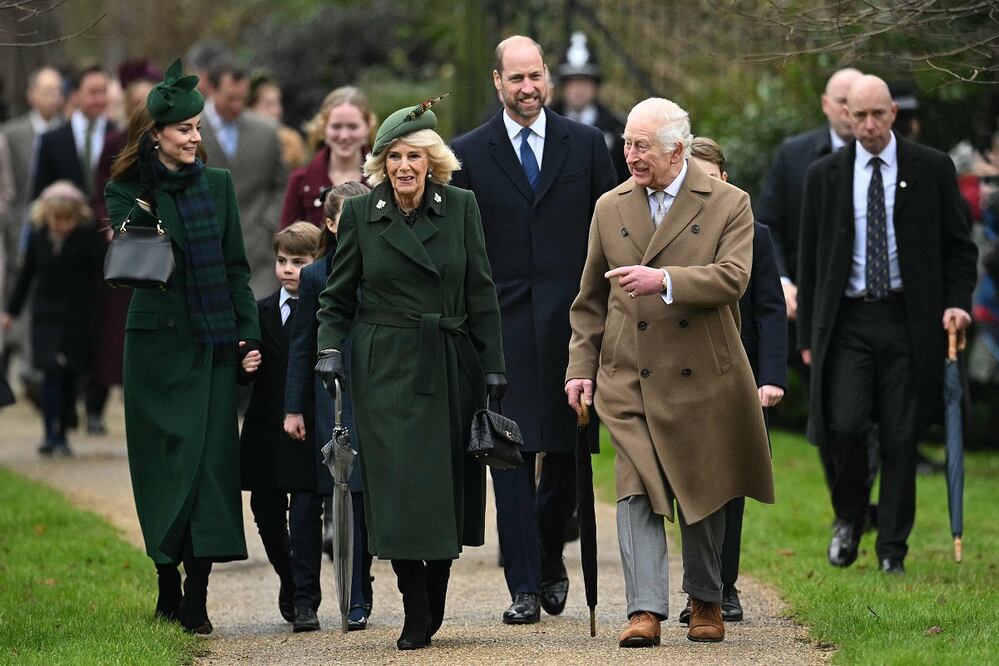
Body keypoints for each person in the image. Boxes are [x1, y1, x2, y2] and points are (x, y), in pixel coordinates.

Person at [565, 97, 775, 646]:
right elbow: (589, 300)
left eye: (642, 147)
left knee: (702, 484)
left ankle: (706, 599)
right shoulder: (610, 206)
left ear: (678, 150)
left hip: (702, 372)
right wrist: (579, 370)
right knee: (635, 487)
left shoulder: (729, 202)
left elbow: (734, 278)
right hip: (629, 373)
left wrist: (665, 282)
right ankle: (645, 609)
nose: (630, 156)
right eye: (627, 144)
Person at [314, 102, 505, 650]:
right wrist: (328, 350)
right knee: (396, 486)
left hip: (448, 359)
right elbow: (337, 295)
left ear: (432, 162)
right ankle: (414, 600)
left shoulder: (462, 207)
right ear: (381, 163)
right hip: (386, 367)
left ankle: (436, 586)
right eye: (393, 156)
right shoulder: (359, 214)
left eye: (413, 156)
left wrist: (494, 366)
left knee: (444, 483)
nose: (403, 166)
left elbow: (481, 290)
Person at [450, 35, 616, 626]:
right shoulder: (467, 153)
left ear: (547, 77)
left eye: (535, 76)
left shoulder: (588, 145)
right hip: (501, 326)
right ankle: (522, 583)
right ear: (497, 82)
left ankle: (549, 556)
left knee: (569, 454)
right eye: (515, 78)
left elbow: (612, 228)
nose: (527, 88)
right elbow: (462, 251)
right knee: (510, 452)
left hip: (574, 325)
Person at [797, 74, 977, 575]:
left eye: (878, 114)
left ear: (894, 113)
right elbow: (811, 261)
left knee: (900, 436)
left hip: (908, 320)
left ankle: (892, 551)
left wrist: (957, 302)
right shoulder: (824, 175)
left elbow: (960, 248)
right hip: (848, 321)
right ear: (845, 117)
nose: (870, 125)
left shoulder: (932, 169)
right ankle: (850, 517)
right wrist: (808, 336)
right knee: (845, 425)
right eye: (859, 116)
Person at [104, 59, 260, 632]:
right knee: (161, 468)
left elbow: (237, 269)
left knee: (210, 468)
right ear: (156, 136)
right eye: (185, 129)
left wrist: (248, 335)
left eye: (198, 127)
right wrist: (149, 190)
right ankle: (166, 577)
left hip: (212, 344)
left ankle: (198, 591)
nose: (197, 137)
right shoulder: (126, 189)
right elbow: (136, 265)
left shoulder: (217, 187)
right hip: (153, 350)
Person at [681, 136, 786, 624]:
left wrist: (771, 378)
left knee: (732, 481)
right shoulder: (673, 233)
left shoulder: (755, 233)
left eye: (709, 177)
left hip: (739, 376)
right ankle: (699, 591)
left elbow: (768, 308)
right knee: (692, 481)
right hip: (685, 375)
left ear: (725, 179)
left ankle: (725, 586)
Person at [284, 181, 372, 631]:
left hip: (377, 387)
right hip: (332, 395)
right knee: (342, 490)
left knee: (366, 494)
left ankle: (363, 585)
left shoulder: (384, 264)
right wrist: (293, 407)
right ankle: (347, 594)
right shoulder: (316, 275)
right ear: (332, 223)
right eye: (348, 216)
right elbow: (301, 344)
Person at [237, 222, 320, 630]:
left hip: (307, 426)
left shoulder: (326, 311)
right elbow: (244, 368)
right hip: (266, 428)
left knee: (305, 513)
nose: (288, 270)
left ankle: (306, 599)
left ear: (318, 263)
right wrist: (245, 366)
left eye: (299, 262)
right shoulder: (260, 310)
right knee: (265, 510)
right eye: (282, 261)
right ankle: (289, 579)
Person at [1, 181, 102, 455]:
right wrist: (11, 311)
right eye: (57, 218)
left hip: (75, 319)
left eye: (68, 219)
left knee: (69, 378)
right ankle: (48, 434)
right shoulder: (36, 238)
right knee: (49, 375)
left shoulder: (87, 240)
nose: (62, 225)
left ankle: (62, 432)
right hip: (45, 317)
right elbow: (26, 277)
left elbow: (99, 280)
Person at [199, 59, 287, 297]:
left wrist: (269, 223)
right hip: (204, 246)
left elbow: (280, 185)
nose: (237, 105)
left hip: (258, 252)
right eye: (230, 99)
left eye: (243, 98)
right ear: (213, 89)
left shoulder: (266, 132)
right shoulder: (191, 131)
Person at [279, 86, 375, 229]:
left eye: (352, 127)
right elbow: (286, 242)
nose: (344, 136)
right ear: (323, 127)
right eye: (336, 126)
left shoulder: (384, 177)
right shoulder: (300, 181)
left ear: (367, 127)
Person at [550, 30, 629, 183]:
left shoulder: (617, 128)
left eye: (585, 81)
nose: (578, 89)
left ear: (596, 85)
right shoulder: (546, 122)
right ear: (563, 86)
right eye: (572, 81)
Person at [31, 64, 113, 200]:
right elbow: (39, 195)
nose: (99, 99)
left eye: (103, 92)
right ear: (75, 95)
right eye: (92, 93)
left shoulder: (119, 136)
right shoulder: (52, 141)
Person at [249, 70, 308, 170]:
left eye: (278, 104)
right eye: (269, 105)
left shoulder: (292, 141)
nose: (277, 111)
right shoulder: (241, 139)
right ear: (251, 108)